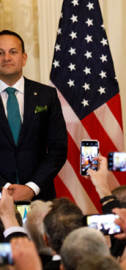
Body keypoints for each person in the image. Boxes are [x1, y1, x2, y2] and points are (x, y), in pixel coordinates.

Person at [0, 30, 68, 201]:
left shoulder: (47, 95)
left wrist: (31, 187)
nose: (6, 57)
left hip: (39, 198)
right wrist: (5, 188)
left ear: (24, 58)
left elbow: (58, 149)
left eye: (12, 52)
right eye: (0, 53)